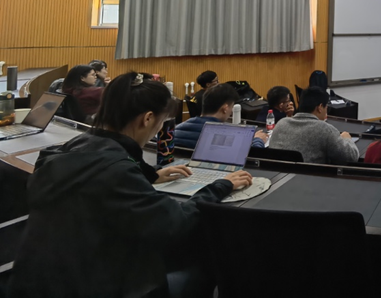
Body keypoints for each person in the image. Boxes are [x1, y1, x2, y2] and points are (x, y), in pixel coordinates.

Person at [8, 72, 252, 298]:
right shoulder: (117, 173)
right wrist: (219, 186)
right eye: (161, 122)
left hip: (35, 283)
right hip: (95, 287)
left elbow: (101, 171)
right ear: (147, 119)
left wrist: (149, 175)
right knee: (206, 262)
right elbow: (176, 224)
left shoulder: (65, 151)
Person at [268, 86, 359, 164]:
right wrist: (347, 139)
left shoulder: (280, 124)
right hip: (310, 177)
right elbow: (351, 157)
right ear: (320, 107)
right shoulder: (325, 130)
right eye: (326, 107)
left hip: (278, 176)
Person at [174, 84, 267, 149]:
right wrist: (258, 140)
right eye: (231, 106)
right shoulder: (228, 136)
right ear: (225, 108)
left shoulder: (176, 130)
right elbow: (249, 157)